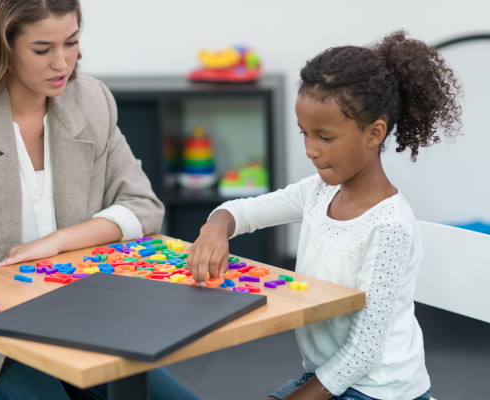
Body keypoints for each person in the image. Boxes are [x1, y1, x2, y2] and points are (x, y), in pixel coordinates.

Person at [0, 1, 199, 399]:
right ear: (4, 46)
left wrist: (57, 241)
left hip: (81, 323)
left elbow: (143, 205)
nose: (62, 63)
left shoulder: (91, 99)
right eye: (43, 49)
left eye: (70, 43)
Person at [187, 31, 462, 400]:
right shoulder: (318, 192)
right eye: (305, 134)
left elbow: (364, 352)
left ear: (374, 133)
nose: (310, 151)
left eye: (325, 138)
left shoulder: (390, 227)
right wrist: (215, 228)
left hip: (382, 390)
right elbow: (243, 211)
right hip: (330, 376)